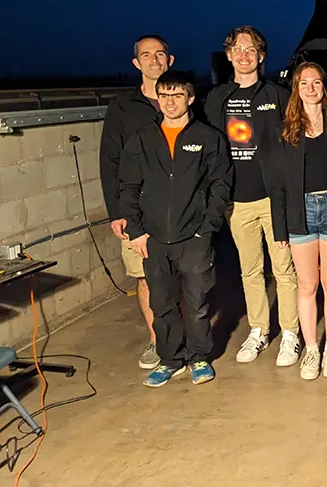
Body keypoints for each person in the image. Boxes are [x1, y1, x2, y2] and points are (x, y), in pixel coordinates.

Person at [118, 70, 233, 388]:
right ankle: (170, 360)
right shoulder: (143, 139)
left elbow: (220, 185)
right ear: (158, 99)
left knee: (196, 304)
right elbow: (127, 186)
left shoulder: (208, 138)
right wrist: (137, 230)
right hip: (153, 238)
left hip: (193, 237)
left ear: (190, 98)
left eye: (177, 95)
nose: (170, 102)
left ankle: (198, 358)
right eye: (164, 95)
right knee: (162, 304)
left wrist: (206, 229)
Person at [205, 26, 300, 368]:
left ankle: (290, 333)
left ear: (261, 56)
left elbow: (294, 142)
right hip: (236, 200)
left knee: (285, 269)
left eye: (251, 49)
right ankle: (259, 329)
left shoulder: (277, 95)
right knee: (249, 270)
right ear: (228, 55)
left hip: (273, 199)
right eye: (238, 49)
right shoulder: (217, 98)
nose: (244, 55)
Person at [269, 62, 327, 380]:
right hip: (299, 212)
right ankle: (311, 350)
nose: (311, 88)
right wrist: (280, 226)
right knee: (307, 285)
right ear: (297, 88)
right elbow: (276, 183)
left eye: (317, 82)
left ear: (324, 87)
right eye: (305, 83)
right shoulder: (285, 130)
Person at [99, 34, 174, 370]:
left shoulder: (184, 99)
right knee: (145, 277)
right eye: (147, 55)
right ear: (136, 63)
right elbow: (109, 161)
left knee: (181, 277)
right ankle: (159, 342)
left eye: (160, 54)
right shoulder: (122, 107)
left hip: (179, 210)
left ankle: (181, 338)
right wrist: (117, 212)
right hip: (138, 212)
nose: (154, 60)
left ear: (169, 61)